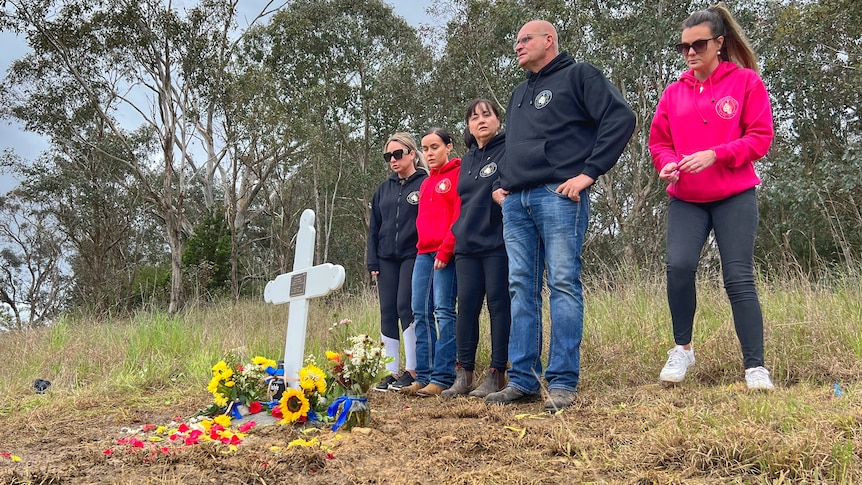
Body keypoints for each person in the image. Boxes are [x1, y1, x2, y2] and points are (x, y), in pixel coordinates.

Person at [488, 20, 636, 411]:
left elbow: (621, 118)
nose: (517, 46)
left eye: (525, 39)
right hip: (516, 202)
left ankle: (563, 381)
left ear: (549, 40)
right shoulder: (519, 92)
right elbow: (517, 147)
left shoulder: (580, 75)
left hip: (558, 196)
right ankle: (523, 380)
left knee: (564, 284)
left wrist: (589, 173)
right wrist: (504, 182)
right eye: (516, 40)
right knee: (520, 288)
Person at [648, 3, 775, 390]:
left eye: (698, 45)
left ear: (719, 43)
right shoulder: (673, 93)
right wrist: (667, 164)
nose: (690, 53)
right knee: (679, 268)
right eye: (683, 46)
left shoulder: (746, 83)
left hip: (734, 195)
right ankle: (683, 349)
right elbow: (659, 142)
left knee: (738, 277)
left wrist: (716, 154)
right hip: (687, 198)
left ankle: (755, 366)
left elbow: (760, 137)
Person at [440, 99, 511, 399]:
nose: (480, 120)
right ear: (468, 125)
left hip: (496, 242)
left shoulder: (508, 149)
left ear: (498, 120)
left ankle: (498, 373)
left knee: (498, 306)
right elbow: (461, 202)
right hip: (466, 246)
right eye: (473, 117)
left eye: (487, 115)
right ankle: (464, 373)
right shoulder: (467, 160)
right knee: (465, 308)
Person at [400, 128, 461, 397]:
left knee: (444, 311)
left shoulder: (457, 174)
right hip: (422, 253)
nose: (429, 153)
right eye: (425, 149)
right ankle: (423, 375)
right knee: (419, 312)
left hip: (446, 252)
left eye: (435, 147)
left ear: (449, 146)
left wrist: (446, 250)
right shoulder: (425, 183)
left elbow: (458, 216)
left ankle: (443, 375)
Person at [367, 133, 428, 392]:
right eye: (388, 156)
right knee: (387, 310)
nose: (393, 160)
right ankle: (390, 371)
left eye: (398, 154)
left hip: (413, 254)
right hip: (386, 257)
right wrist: (372, 260)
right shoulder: (384, 189)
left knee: (406, 306)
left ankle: (413, 370)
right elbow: (374, 227)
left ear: (412, 153)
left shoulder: (424, 183)